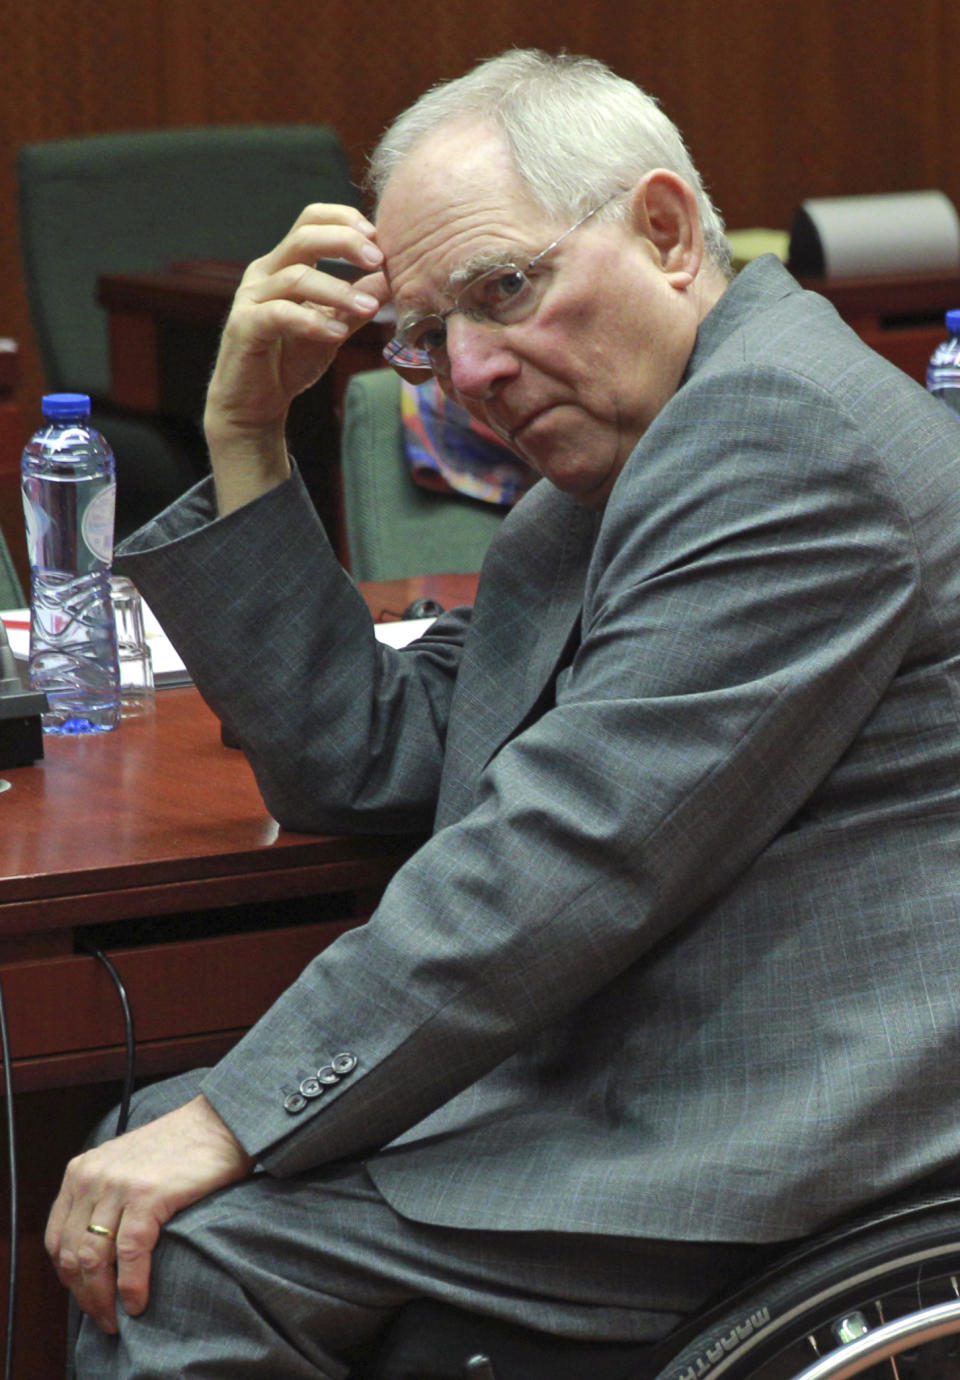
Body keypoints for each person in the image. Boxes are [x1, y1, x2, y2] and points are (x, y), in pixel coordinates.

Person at [47, 48, 960, 1378]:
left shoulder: (779, 435)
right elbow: (371, 757)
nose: (469, 372)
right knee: (144, 1136)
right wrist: (246, 430)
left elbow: (569, 850)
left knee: (179, 1249)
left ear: (664, 230)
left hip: (791, 1123)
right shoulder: (628, 462)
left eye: (507, 290)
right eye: (424, 335)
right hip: (642, 1059)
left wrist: (239, 1119)